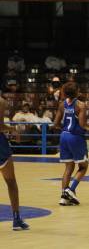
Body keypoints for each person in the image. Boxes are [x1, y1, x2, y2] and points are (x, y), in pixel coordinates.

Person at [54, 82, 89, 206]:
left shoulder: (61, 105)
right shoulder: (80, 105)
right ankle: (70, 190)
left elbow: (56, 124)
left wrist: (65, 129)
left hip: (64, 136)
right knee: (83, 167)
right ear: (77, 92)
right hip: (75, 137)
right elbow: (82, 125)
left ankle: (64, 197)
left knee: (68, 168)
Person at [0, 95, 29, 230]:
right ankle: (16, 219)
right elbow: (0, 126)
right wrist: (13, 130)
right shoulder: (1, 101)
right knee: (11, 182)